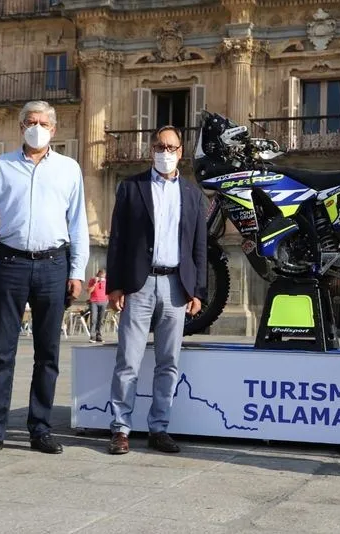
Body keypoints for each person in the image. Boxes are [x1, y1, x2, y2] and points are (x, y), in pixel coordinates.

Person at [0, 100, 89, 457]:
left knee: (48, 353)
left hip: (54, 264)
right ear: (21, 127)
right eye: (30, 121)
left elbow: (78, 223)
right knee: (2, 352)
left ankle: (40, 428)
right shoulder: (0, 167)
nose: (36, 127)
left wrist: (77, 271)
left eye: (43, 122)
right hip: (10, 262)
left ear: (54, 130)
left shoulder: (69, 169)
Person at [105, 125, 207, 455]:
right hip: (139, 283)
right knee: (128, 360)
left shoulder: (193, 195)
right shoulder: (131, 187)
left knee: (169, 362)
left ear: (181, 152)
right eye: (161, 146)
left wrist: (198, 290)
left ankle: (159, 428)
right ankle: (120, 428)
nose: (166, 152)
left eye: (172, 147)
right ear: (153, 150)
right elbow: (117, 239)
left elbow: (199, 246)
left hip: (177, 284)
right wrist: (115, 286)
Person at [87, 269, 108, 343]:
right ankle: (92, 336)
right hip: (94, 301)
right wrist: (95, 283)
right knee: (93, 319)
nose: (102, 276)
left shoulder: (106, 281)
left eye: (104, 275)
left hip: (104, 301)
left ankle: (99, 336)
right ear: (98, 274)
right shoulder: (92, 280)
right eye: (101, 274)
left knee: (101, 320)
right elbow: (89, 291)